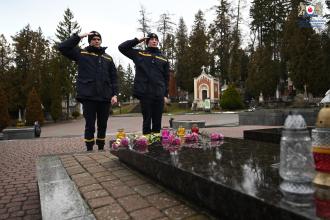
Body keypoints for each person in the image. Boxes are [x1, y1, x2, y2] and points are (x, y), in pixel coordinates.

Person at [58, 31, 118, 151]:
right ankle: (89, 148)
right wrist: (78, 37)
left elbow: (114, 78)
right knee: (90, 124)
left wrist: (114, 94)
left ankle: (101, 147)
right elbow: (63, 47)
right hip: (89, 96)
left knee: (103, 125)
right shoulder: (82, 53)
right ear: (89, 40)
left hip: (105, 97)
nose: (96, 41)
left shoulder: (108, 58)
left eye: (98, 39)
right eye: (94, 39)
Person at [118, 32, 169, 136]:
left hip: (158, 93)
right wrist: (137, 40)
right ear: (147, 42)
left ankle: (156, 143)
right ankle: (146, 143)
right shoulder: (139, 54)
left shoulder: (163, 58)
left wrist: (165, 94)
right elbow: (122, 47)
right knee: (147, 119)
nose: (154, 41)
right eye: (151, 39)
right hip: (145, 92)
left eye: (156, 39)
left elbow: (166, 78)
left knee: (157, 120)